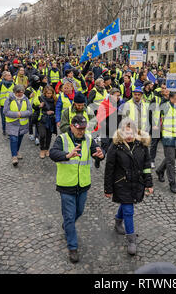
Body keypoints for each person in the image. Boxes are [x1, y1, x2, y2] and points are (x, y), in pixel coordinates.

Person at [49, 115, 105, 263]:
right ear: (72, 126)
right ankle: (73, 247)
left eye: (83, 128)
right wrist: (67, 155)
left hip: (83, 185)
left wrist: (101, 155)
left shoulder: (88, 138)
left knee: (78, 211)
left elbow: (97, 152)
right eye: (79, 128)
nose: (81, 131)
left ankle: (67, 226)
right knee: (69, 216)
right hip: (66, 185)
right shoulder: (61, 139)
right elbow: (53, 153)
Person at [104, 119, 153, 255]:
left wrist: (149, 183)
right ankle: (131, 239)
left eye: (131, 132)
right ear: (121, 132)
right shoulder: (115, 146)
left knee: (127, 204)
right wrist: (108, 189)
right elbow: (109, 169)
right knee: (128, 209)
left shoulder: (142, 145)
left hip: (136, 183)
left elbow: (146, 166)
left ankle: (118, 221)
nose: (129, 136)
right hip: (121, 184)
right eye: (126, 133)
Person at [155, 91, 176, 194]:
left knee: (171, 158)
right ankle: (172, 183)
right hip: (168, 137)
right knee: (171, 161)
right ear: (170, 99)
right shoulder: (165, 106)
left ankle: (160, 170)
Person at [3, 85, 33, 166]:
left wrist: (21, 114)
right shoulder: (9, 99)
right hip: (12, 123)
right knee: (13, 139)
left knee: (19, 139)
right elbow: (5, 111)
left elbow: (30, 111)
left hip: (22, 124)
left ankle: (16, 151)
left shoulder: (26, 99)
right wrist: (16, 114)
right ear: (14, 92)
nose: (20, 94)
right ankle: (14, 157)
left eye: (21, 92)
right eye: (18, 92)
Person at [33, 86, 57, 158]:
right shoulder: (40, 98)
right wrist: (39, 106)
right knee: (42, 135)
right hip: (42, 119)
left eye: (50, 93)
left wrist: (53, 113)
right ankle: (42, 149)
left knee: (49, 135)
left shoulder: (55, 99)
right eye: (47, 93)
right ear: (45, 93)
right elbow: (33, 106)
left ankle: (47, 149)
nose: (49, 95)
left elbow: (58, 109)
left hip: (51, 120)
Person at [0, 71, 15, 135]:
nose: (10, 76)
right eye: (9, 75)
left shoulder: (13, 84)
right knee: (4, 119)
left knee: (11, 118)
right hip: (3, 105)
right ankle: (4, 129)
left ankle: (10, 131)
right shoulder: (0, 83)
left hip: (11, 104)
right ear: (5, 77)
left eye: (10, 75)